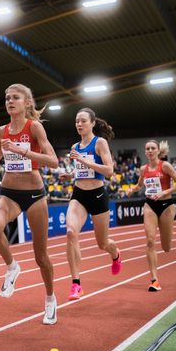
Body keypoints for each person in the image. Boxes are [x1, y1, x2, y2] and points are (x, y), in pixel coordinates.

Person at [0, 83, 59, 325]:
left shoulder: (35, 128)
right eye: (7, 98)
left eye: (15, 98)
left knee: (41, 257)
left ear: (27, 104)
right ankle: (12, 267)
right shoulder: (2, 131)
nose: (10, 101)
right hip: (9, 192)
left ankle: (51, 299)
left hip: (34, 195)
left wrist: (24, 153)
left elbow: (52, 161)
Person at [60, 107, 121, 301]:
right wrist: (69, 174)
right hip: (79, 195)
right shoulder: (75, 146)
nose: (79, 124)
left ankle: (115, 254)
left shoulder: (99, 143)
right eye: (77, 121)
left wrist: (85, 163)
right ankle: (76, 284)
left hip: (97, 196)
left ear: (92, 123)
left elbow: (109, 171)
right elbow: (80, 170)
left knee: (102, 243)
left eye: (83, 121)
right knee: (70, 232)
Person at [126, 140, 176, 291]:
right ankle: (154, 280)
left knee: (166, 247)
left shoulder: (165, 166)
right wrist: (132, 189)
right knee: (150, 241)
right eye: (147, 149)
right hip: (150, 205)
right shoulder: (143, 169)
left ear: (158, 151)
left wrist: (164, 192)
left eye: (153, 148)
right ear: (145, 152)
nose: (150, 151)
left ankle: (168, 232)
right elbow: (140, 185)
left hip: (166, 206)